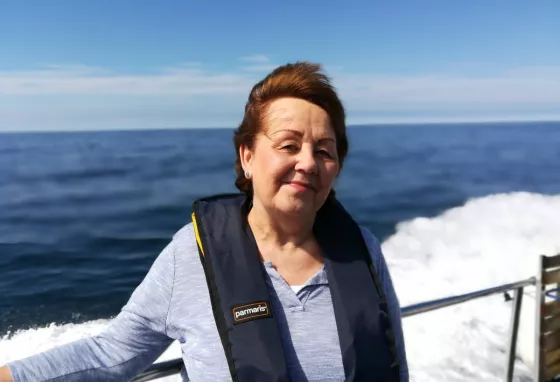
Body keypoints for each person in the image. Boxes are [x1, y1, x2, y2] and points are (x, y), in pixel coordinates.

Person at [0, 61, 408, 382]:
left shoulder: (364, 252)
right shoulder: (190, 256)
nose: (307, 163)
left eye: (324, 150)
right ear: (248, 156)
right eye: (288, 145)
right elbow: (111, 354)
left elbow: (395, 370)